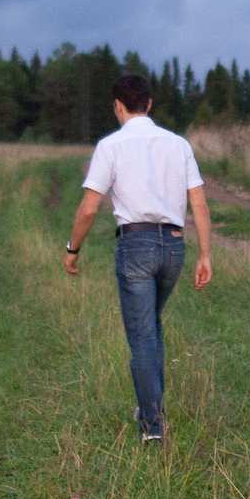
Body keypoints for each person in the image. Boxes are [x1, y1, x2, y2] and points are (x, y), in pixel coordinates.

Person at [64, 71, 214, 441]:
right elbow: (199, 203)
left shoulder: (110, 147)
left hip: (135, 247)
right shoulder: (178, 144)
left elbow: (88, 209)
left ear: (117, 105)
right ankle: (151, 407)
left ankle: (152, 428)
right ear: (149, 103)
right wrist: (205, 255)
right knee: (152, 326)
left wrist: (72, 249)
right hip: (174, 247)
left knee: (142, 335)